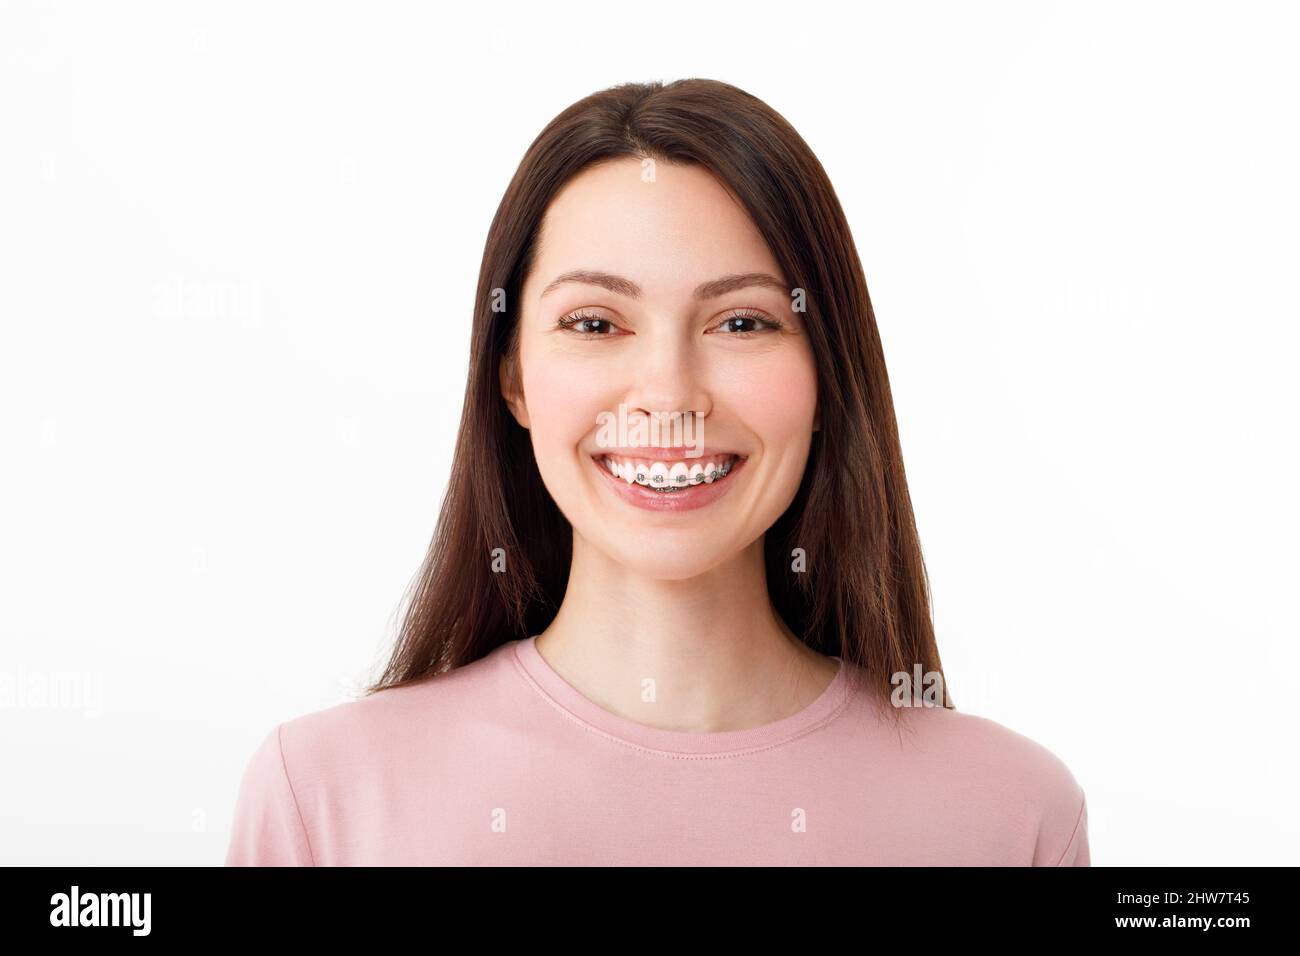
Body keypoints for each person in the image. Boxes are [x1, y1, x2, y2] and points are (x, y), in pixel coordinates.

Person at [226, 78, 1089, 866]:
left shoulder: (1011, 818)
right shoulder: (324, 799)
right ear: (514, 377)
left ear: (829, 377)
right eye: (596, 324)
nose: (669, 395)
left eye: (742, 324)